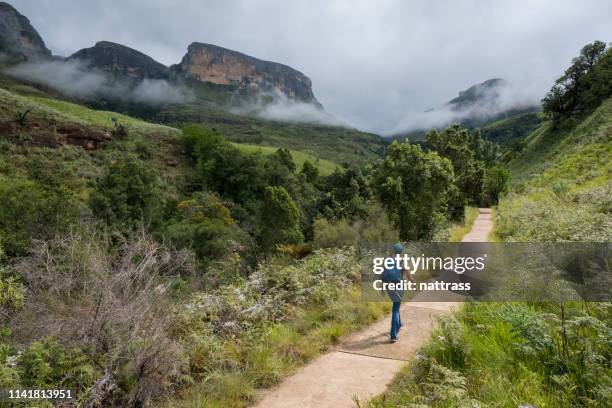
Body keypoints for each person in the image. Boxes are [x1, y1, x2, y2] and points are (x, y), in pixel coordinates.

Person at [381, 243, 411, 343]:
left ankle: (399, 323)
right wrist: (414, 284)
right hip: (399, 286)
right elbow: (408, 275)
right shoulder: (403, 261)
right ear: (401, 251)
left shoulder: (387, 260)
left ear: (393, 251)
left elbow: (384, 275)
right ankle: (393, 335)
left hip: (389, 287)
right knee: (396, 309)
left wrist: (382, 289)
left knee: (396, 304)